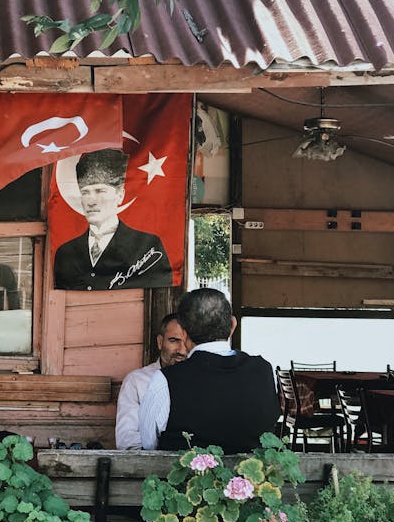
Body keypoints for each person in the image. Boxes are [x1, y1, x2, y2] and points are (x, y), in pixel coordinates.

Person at [138, 288, 279, 453]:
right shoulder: (264, 371)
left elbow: (149, 444)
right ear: (232, 325)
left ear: (183, 331)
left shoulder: (165, 380)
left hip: (188, 477)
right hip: (252, 478)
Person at [53, 148, 172, 291]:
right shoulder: (65, 252)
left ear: (120, 195)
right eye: (85, 192)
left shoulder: (147, 246)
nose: (91, 201)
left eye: (100, 191)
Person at [115, 313, 187, 449]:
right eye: (174, 340)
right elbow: (126, 440)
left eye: (187, 342)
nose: (182, 350)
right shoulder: (136, 381)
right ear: (160, 342)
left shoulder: (202, 381)